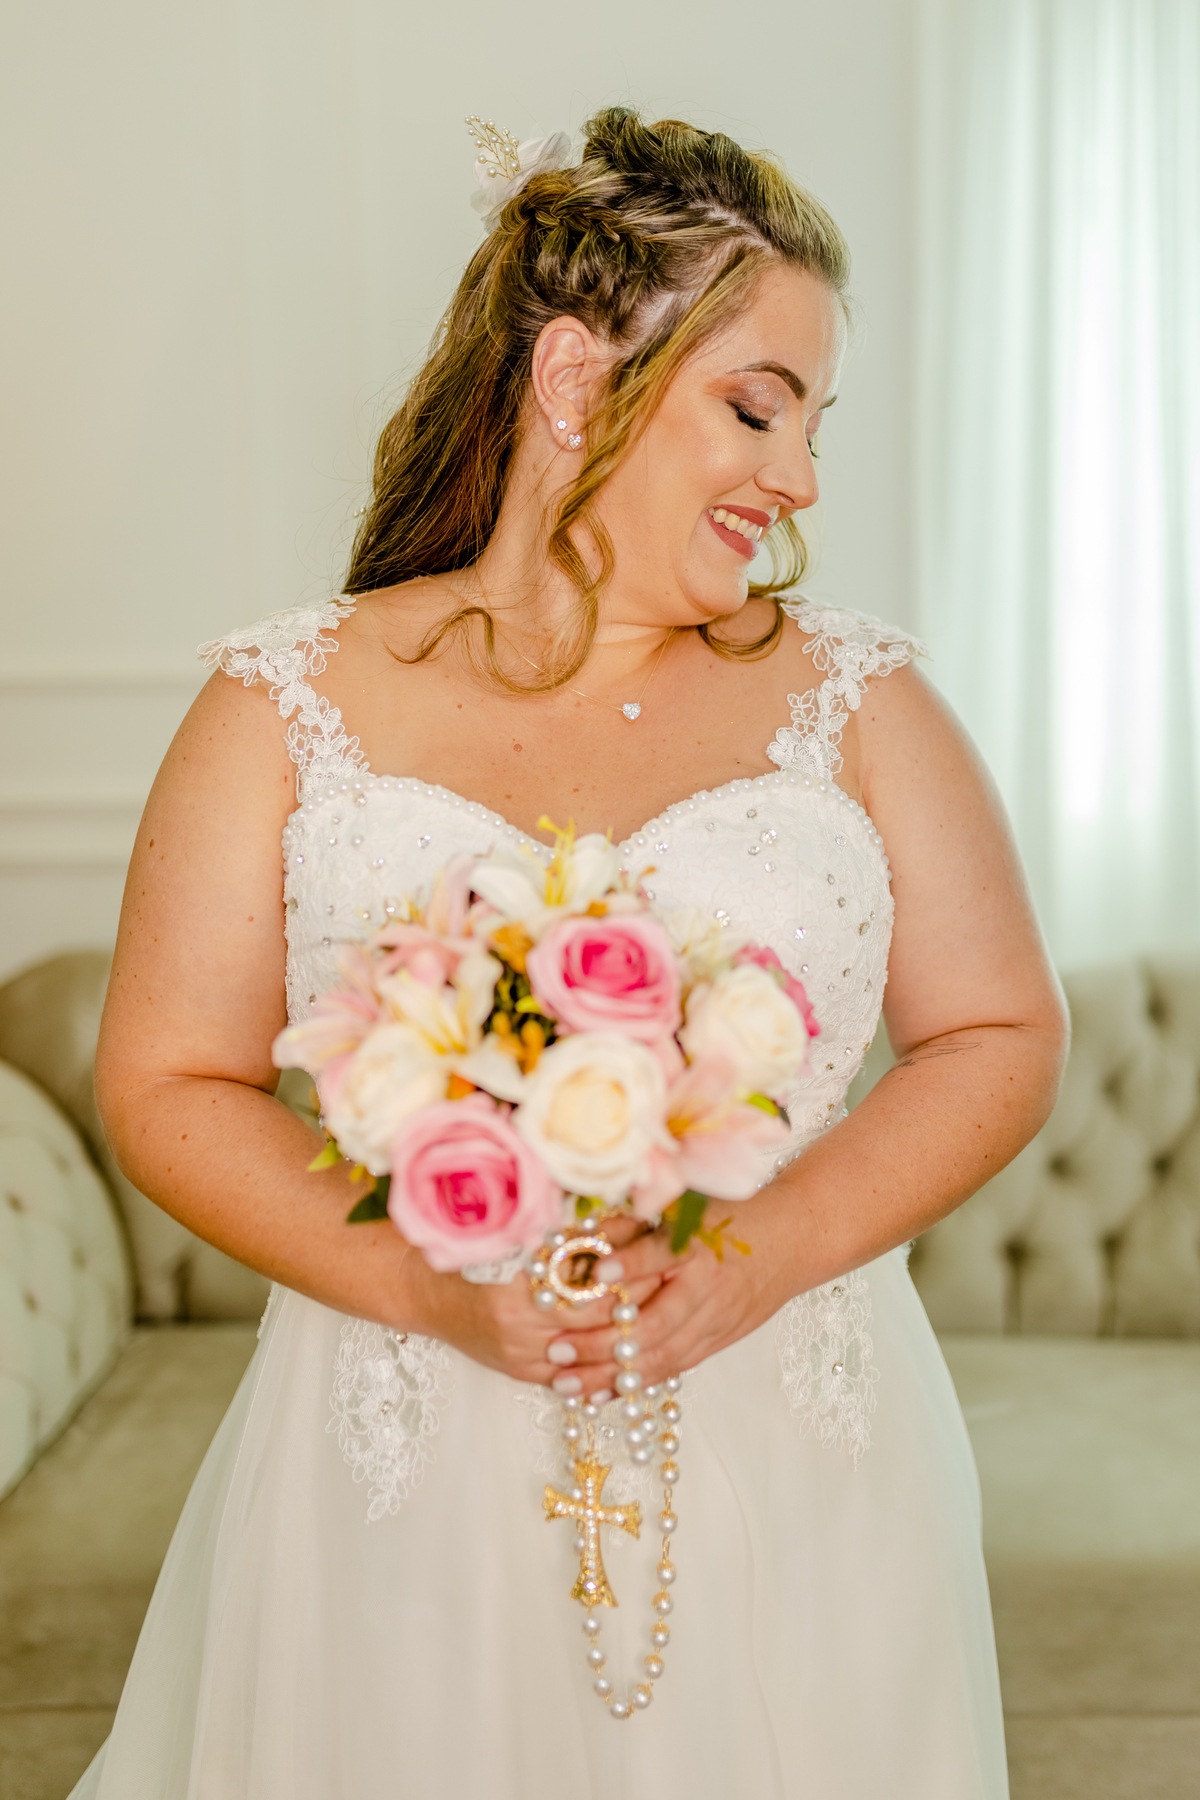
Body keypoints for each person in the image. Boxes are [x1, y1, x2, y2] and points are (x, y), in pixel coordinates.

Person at [74, 107, 1066, 1799]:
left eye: (815, 425)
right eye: (756, 407)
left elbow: (1000, 1034)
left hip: (797, 1445)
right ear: (574, 380)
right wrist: (424, 1285)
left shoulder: (864, 701)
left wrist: (763, 1250)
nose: (801, 479)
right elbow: (166, 1080)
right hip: (401, 1459)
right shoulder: (281, 704)